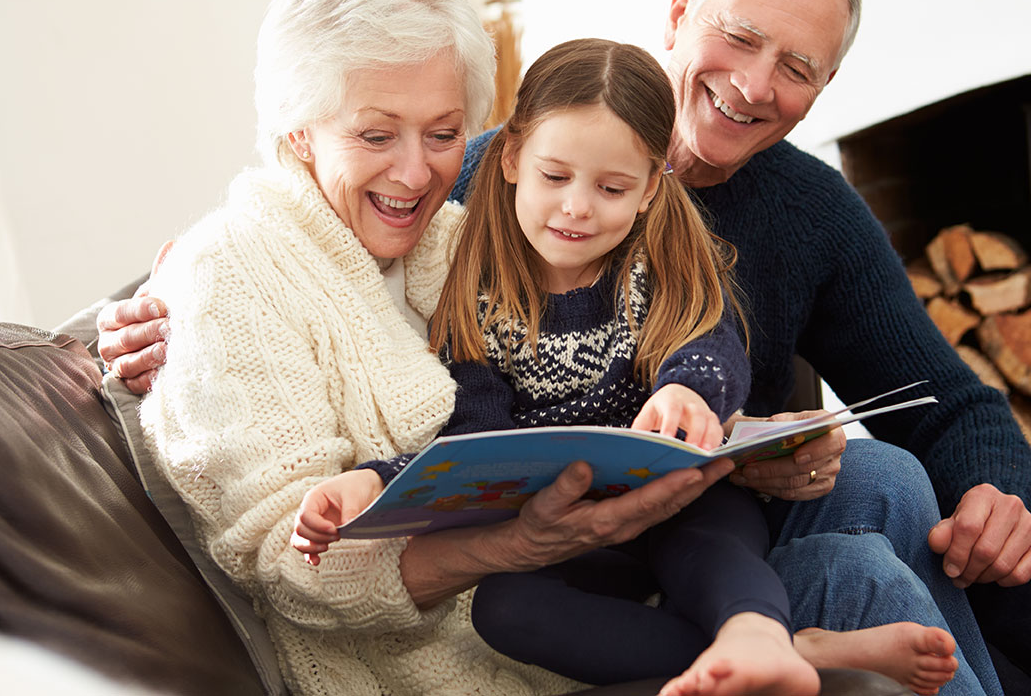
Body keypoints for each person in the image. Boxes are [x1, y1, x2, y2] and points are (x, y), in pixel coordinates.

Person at [99, 0, 1031, 696]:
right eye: (740, 38)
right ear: (679, 14)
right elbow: (312, 235)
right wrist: (144, 304)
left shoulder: (806, 209)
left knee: (918, 489)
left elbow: (945, 398)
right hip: (574, 544)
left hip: (712, 504)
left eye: (797, 66)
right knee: (871, 538)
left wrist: (1004, 490)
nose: (755, 84)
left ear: (825, 87)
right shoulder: (490, 185)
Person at [129, 0, 748, 696]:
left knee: (863, 500)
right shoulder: (228, 274)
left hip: (598, 600)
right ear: (298, 130)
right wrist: (514, 546)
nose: (416, 173)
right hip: (426, 667)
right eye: (375, 134)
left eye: (445, 133)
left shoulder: (461, 240)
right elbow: (293, 570)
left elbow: (651, 314)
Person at [290, 37, 963, 696]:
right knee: (504, 609)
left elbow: (711, 347)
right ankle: (795, 653)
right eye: (555, 177)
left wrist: (686, 390)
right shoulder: (473, 293)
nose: (577, 207)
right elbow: (470, 443)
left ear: (647, 189)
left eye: (611, 188)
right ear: (512, 157)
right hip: (572, 538)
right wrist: (372, 484)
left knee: (712, 542)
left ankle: (754, 635)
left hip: (683, 504)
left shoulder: (656, 267)